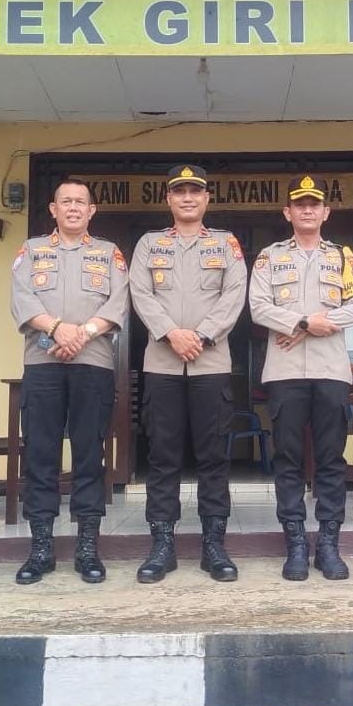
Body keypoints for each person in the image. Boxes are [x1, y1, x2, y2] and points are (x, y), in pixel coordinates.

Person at [129, 164, 247, 583]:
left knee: (214, 457)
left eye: (195, 192)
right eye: (179, 192)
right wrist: (170, 333)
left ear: (206, 198)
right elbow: (140, 293)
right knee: (162, 457)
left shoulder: (226, 244)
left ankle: (214, 545)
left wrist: (201, 335)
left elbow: (234, 294)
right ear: (169, 199)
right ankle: (162, 545)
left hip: (210, 362)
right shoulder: (149, 243)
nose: (187, 198)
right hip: (162, 363)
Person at [10, 179, 129, 585]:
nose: (74, 207)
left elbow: (119, 302)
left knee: (89, 455)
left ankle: (87, 547)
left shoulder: (109, 253)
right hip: (42, 362)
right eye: (67, 201)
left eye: (81, 202)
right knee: (40, 455)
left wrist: (82, 333)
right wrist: (58, 329)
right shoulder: (31, 250)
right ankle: (41, 548)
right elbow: (22, 298)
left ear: (92, 211)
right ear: (53, 209)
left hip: (93, 363)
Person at [249, 175, 353, 580]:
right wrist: (303, 321)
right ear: (288, 212)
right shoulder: (269, 257)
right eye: (299, 204)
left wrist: (313, 325)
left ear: (325, 212)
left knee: (331, 459)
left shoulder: (343, 257)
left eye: (314, 204)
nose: (307, 210)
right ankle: (296, 543)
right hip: (284, 373)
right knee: (288, 458)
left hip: (331, 370)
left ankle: (329, 545)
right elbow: (258, 307)